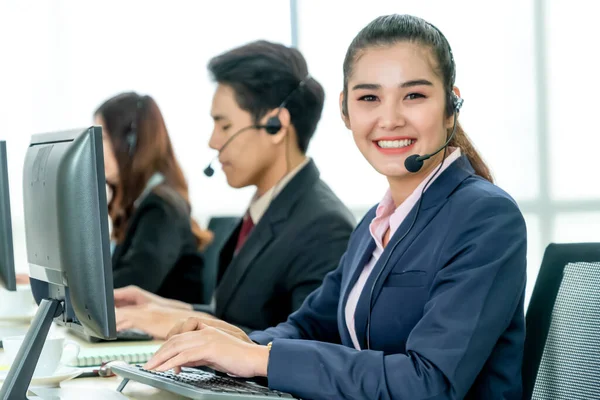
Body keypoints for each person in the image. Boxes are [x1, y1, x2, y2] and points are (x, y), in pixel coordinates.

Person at [142, 15, 528, 400]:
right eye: (369, 98)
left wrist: (260, 360)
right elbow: (308, 328)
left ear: (451, 106)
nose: (389, 119)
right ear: (346, 110)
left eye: (414, 95)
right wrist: (229, 345)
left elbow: (428, 383)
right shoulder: (374, 226)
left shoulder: (485, 217)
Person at [114, 41, 356, 338]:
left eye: (224, 126)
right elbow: (239, 318)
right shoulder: (266, 208)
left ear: (276, 126)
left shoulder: (324, 226)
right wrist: (165, 310)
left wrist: (191, 328)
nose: (213, 142)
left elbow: (308, 352)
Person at [94, 92, 213, 304]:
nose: (92, 148)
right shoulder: (141, 204)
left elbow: (130, 286)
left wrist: (68, 288)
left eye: (101, 138)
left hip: (166, 334)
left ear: (131, 143)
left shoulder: (162, 207)